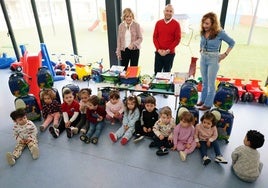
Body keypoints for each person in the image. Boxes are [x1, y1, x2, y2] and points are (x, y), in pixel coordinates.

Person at [197, 12, 235, 111]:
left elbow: (232, 42)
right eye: (203, 23)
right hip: (203, 58)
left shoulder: (220, 32)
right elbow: (202, 42)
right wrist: (201, 48)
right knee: (204, 81)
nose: (204, 25)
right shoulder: (203, 31)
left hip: (213, 59)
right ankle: (203, 100)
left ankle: (208, 104)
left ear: (213, 24)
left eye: (207, 24)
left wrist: (224, 55)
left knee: (210, 83)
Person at [153, 4, 181, 75]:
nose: (168, 13)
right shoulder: (158, 23)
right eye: (167, 11)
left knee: (167, 75)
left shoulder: (176, 24)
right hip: (158, 53)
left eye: (170, 11)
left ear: (173, 13)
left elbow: (177, 39)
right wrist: (158, 49)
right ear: (164, 11)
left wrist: (168, 50)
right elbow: (155, 37)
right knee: (157, 73)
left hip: (169, 54)